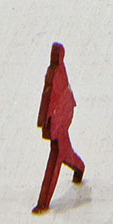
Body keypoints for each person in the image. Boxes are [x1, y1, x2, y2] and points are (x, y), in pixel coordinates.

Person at [31, 43, 85, 213]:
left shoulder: (56, 73)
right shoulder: (58, 72)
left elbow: (51, 97)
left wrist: (42, 120)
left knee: (57, 156)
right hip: (60, 124)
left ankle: (43, 202)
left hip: (58, 125)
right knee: (66, 154)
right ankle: (80, 168)